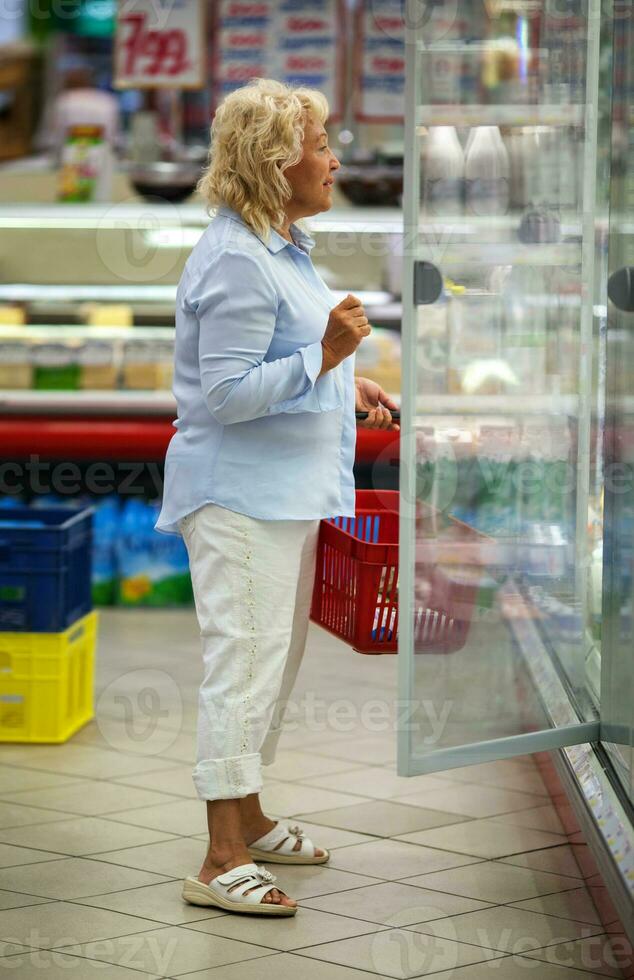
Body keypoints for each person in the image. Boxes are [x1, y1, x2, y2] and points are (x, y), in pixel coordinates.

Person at [155, 77, 399, 917]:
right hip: (240, 500)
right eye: (321, 144)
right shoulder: (234, 256)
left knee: (273, 668)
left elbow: (279, 360)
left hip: (285, 498)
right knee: (242, 668)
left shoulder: (279, 245)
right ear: (274, 159)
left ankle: (251, 816)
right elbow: (221, 394)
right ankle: (220, 858)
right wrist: (327, 358)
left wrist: (347, 383)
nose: (335, 159)